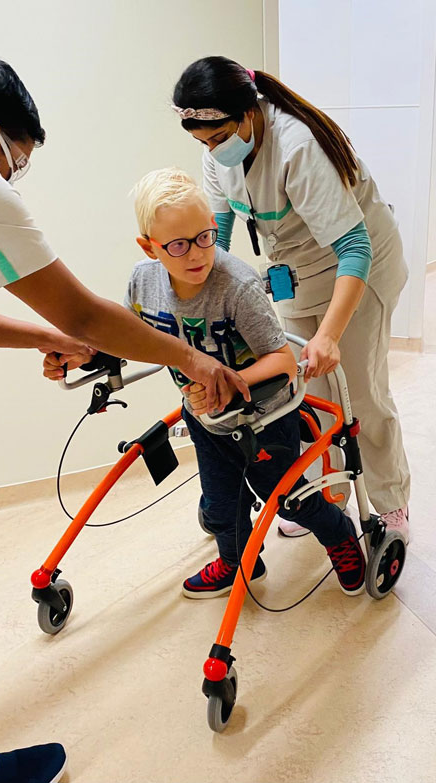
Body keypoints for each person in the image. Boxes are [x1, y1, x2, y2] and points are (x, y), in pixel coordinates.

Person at [0, 56, 247, 783]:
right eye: (16, 163)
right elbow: (83, 311)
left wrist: (44, 339)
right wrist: (190, 358)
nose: (11, 178)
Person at [172, 56, 411, 541]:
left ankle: (390, 503)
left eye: (218, 138)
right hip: (298, 272)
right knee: (306, 394)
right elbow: (218, 243)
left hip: (360, 268)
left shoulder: (298, 147)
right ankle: (329, 497)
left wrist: (330, 335)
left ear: (249, 112)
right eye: (203, 143)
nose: (212, 150)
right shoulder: (219, 152)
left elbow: (355, 247)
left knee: (361, 393)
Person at [122, 167, 365, 599]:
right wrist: (90, 352)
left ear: (213, 226)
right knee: (221, 505)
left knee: (288, 498)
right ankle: (240, 563)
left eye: (205, 237)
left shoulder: (236, 285)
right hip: (206, 419)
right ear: (149, 247)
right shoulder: (143, 281)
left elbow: (284, 361)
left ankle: (340, 536)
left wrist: (232, 385)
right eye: (178, 245)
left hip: (265, 417)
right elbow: (129, 333)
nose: (196, 254)